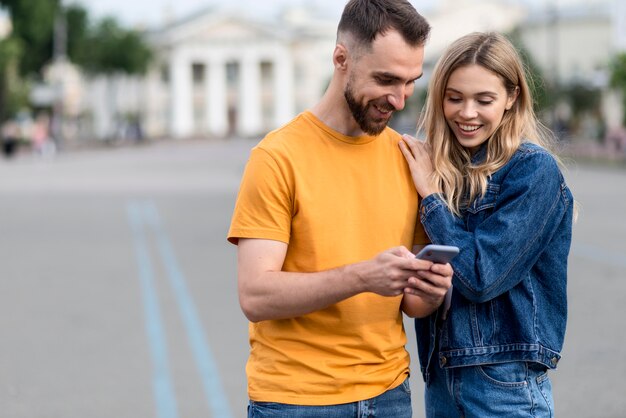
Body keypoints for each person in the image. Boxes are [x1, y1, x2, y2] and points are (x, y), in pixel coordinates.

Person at [227, 0, 454, 416]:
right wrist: (363, 275)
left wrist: (433, 291)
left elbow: (410, 303)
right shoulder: (277, 157)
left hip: (389, 395)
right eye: (386, 79)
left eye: (410, 82)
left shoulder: (411, 158)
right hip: (296, 400)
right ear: (341, 59)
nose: (400, 100)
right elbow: (255, 295)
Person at [399, 32, 575, 417]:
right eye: (455, 97)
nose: (467, 113)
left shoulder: (533, 171)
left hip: (504, 385)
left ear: (512, 98)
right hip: (442, 380)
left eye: (484, 100)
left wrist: (430, 198)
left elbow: (482, 276)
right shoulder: (440, 168)